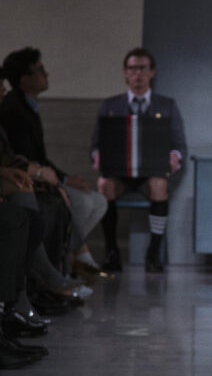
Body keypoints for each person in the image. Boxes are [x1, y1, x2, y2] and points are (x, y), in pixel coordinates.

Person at [0, 47, 107, 278]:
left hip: (31, 173)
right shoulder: (14, 109)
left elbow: (38, 157)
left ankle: (69, 259)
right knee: (77, 201)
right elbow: (22, 157)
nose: (46, 74)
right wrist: (56, 179)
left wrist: (64, 177)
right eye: (39, 70)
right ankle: (67, 263)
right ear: (24, 79)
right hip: (28, 176)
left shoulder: (27, 105)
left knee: (97, 201)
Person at [91, 47, 186, 273]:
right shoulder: (110, 106)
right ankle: (112, 252)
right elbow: (95, 144)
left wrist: (175, 156)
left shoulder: (167, 106)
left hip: (150, 174)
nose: (138, 74)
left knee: (159, 184)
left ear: (152, 72)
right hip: (120, 174)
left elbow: (179, 144)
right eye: (132, 68)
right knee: (104, 184)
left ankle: (153, 253)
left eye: (143, 68)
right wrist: (97, 156)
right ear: (125, 72)